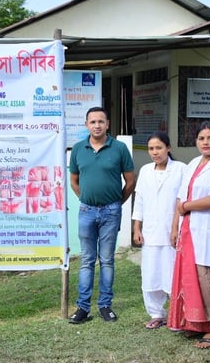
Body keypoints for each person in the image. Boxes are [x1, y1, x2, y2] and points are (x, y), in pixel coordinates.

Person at [167, 121, 210, 349]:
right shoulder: (193, 163)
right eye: (201, 138)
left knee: (209, 281)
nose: (206, 142)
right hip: (188, 230)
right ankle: (196, 324)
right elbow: (180, 198)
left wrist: (186, 207)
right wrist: (175, 227)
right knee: (191, 279)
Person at [68, 106, 135, 324]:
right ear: (86, 125)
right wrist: (86, 198)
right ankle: (83, 308)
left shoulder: (119, 148)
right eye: (93, 122)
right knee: (87, 260)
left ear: (107, 124)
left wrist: (116, 203)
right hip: (86, 211)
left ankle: (105, 305)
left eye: (101, 121)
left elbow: (130, 181)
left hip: (111, 211)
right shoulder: (78, 149)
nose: (97, 125)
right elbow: (74, 181)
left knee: (106, 260)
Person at [132, 131, 186, 330]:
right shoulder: (146, 170)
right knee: (151, 274)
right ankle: (156, 314)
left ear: (168, 148)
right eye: (151, 149)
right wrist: (136, 227)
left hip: (173, 232)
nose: (155, 152)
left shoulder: (181, 169)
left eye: (159, 148)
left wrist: (176, 228)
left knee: (173, 273)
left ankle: (177, 314)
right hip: (150, 232)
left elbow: (183, 200)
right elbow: (139, 200)